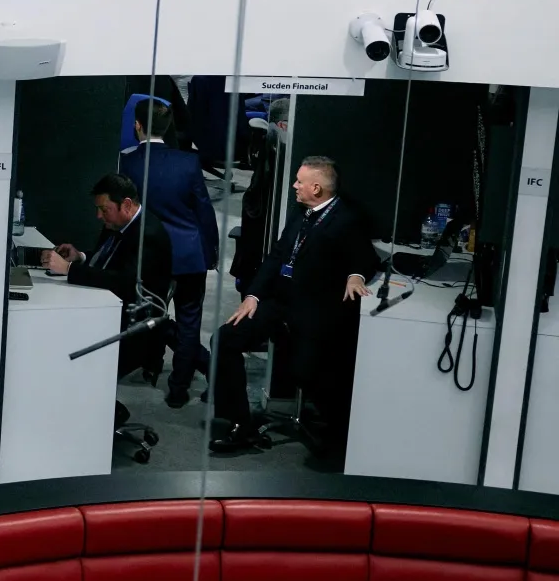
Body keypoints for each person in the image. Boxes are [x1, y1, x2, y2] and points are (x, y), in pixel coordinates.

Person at [210, 156, 378, 461]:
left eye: (300, 181)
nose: (294, 185)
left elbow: (365, 258)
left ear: (317, 187)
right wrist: (253, 296)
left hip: (314, 308)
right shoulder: (300, 212)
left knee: (308, 370)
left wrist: (355, 275)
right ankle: (240, 423)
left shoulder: (347, 219)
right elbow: (276, 257)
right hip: (278, 301)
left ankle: (338, 436)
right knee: (225, 339)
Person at [44, 173, 175, 428]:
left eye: (104, 210)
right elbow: (110, 264)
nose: (99, 216)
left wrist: (69, 271)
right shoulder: (118, 225)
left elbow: (125, 283)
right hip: (110, 315)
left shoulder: (148, 235)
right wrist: (80, 257)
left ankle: (95, 417)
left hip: (133, 332)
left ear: (126, 205)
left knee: (64, 351)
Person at [121, 101, 220, 408]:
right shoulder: (188, 163)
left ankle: (153, 366)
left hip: (149, 256)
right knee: (190, 320)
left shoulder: (127, 165)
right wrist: (211, 252)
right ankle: (179, 387)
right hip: (189, 254)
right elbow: (204, 211)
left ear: (137, 126)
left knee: (152, 317)